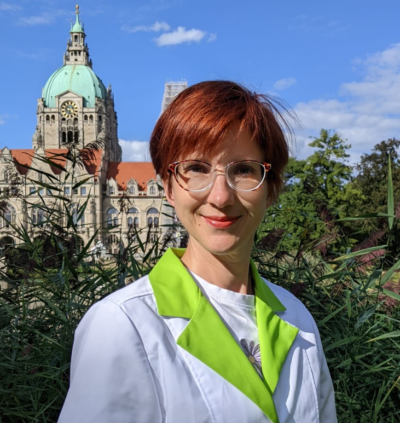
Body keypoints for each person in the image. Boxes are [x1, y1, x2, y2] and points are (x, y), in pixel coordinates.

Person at [58, 81, 337, 423]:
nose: (220, 197)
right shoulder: (120, 325)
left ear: (271, 188)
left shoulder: (298, 318)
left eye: (244, 170)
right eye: (197, 169)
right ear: (168, 187)